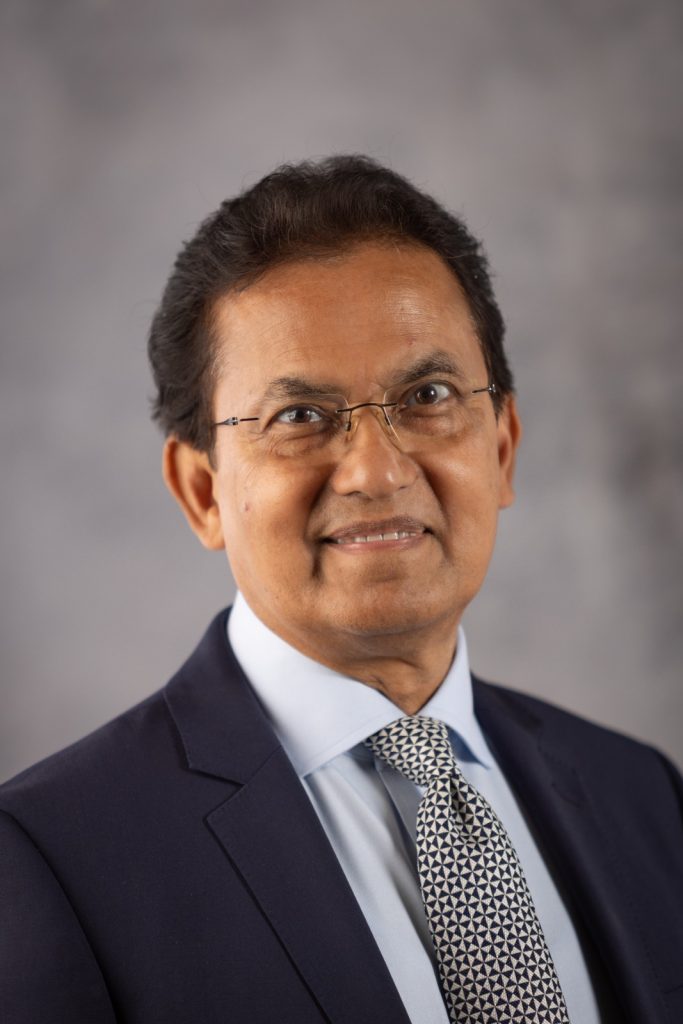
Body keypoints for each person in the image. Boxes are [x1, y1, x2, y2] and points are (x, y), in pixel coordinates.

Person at [1, 156, 681, 1024]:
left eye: (427, 395)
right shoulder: (53, 858)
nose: (376, 471)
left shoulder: (640, 794)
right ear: (202, 491)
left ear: (501, 447)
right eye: (299, 417)